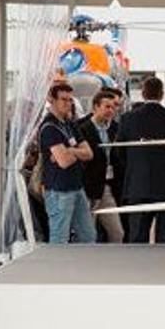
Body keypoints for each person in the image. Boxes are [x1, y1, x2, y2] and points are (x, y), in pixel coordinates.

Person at [116, 77, 165, 243]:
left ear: (143, 94)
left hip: (138, 185)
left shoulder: (128, 119)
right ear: (162, 94)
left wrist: (134, 168)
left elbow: (119, 150)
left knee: (138, 239)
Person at [39, 83, 96, 244]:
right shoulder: (49, 127)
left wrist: (70, 150)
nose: (68, 103)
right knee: (60, 238)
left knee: (89, 236)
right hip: (58, 190)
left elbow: (89, 153)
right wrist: (76, 151)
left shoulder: (70, 124)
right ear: (52, 100)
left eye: (70, 100)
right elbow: (64, 162)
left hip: (77, 187)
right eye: (63, 99)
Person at [76, 91, 126, 243]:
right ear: (96, 107)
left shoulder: (116, 128)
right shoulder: (82, 128)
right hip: (88, 186)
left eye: (113, 107)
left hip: (108, 186)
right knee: (88, 233)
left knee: (117, 232)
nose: (111, 110)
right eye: (107, 106)